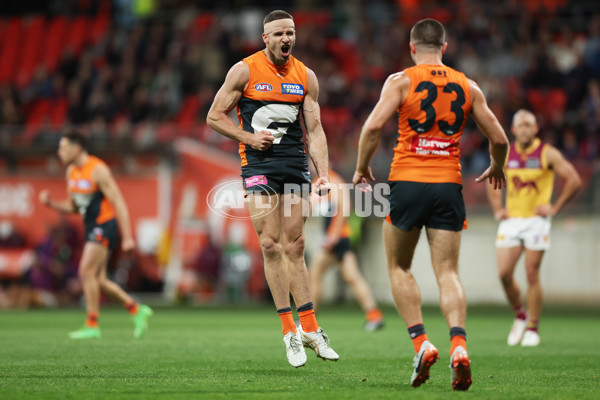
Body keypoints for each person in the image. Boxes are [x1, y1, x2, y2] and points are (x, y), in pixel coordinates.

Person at [353, 19, 509, 391]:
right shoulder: (466, 85)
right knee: (448, 273)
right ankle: (458, 346)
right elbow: (500, 138)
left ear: (411, 48)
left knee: (398, 266)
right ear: (445, 46)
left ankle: (422, 343)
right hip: (448, 185)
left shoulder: (401, 81)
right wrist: (497, 167)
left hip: (407, 182)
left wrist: (361, 168)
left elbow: (373, 126)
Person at [207, 10, 339, 368]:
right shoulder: (244, 70)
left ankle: (311, 328)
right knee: (269, 244)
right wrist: (250, 138)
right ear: (265, 38)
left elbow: (315, 129)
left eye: (291, 32)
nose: (286, 39)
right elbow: (214, 116)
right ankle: (289, 332)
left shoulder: (305, 76)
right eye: (279, 33)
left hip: (295, 165)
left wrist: (323, 173)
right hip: (259, 164)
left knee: (295, 244)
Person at [39, 130, 153, 339]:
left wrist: (127, 236)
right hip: (91, 227)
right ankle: (136, 309)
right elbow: (74, 207)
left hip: (105, 225)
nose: (59, 152)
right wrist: (51, 204)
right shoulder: (71, 173)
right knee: (98, 279)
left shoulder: (98, 169)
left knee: (85, 271)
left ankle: (92, 324)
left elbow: (118, 201)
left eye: (63, 148)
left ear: (77, 148)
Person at [486, 109, 581, 347]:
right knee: (504, 274)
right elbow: (492, 179)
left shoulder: (547, 153)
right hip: (512, 220)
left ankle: (533, 328)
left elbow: (574, 179)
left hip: (536, 221)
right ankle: (520, 315)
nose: (525, 129)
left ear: (536, 128)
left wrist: (555, 207)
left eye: (529, 124)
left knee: (531, 273)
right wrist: (498, 208)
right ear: (514, 129)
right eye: (521, 125)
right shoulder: (506, 154)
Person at [308, 170, 384, 331]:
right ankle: (374, 315)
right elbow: (312, 204)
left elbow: (343, 209)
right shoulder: (320, 181)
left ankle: (309, 318)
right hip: (340, 237)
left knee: (314, 273)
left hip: (337, 238)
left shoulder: (334, 180)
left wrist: (332, 236)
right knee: (352, 276)